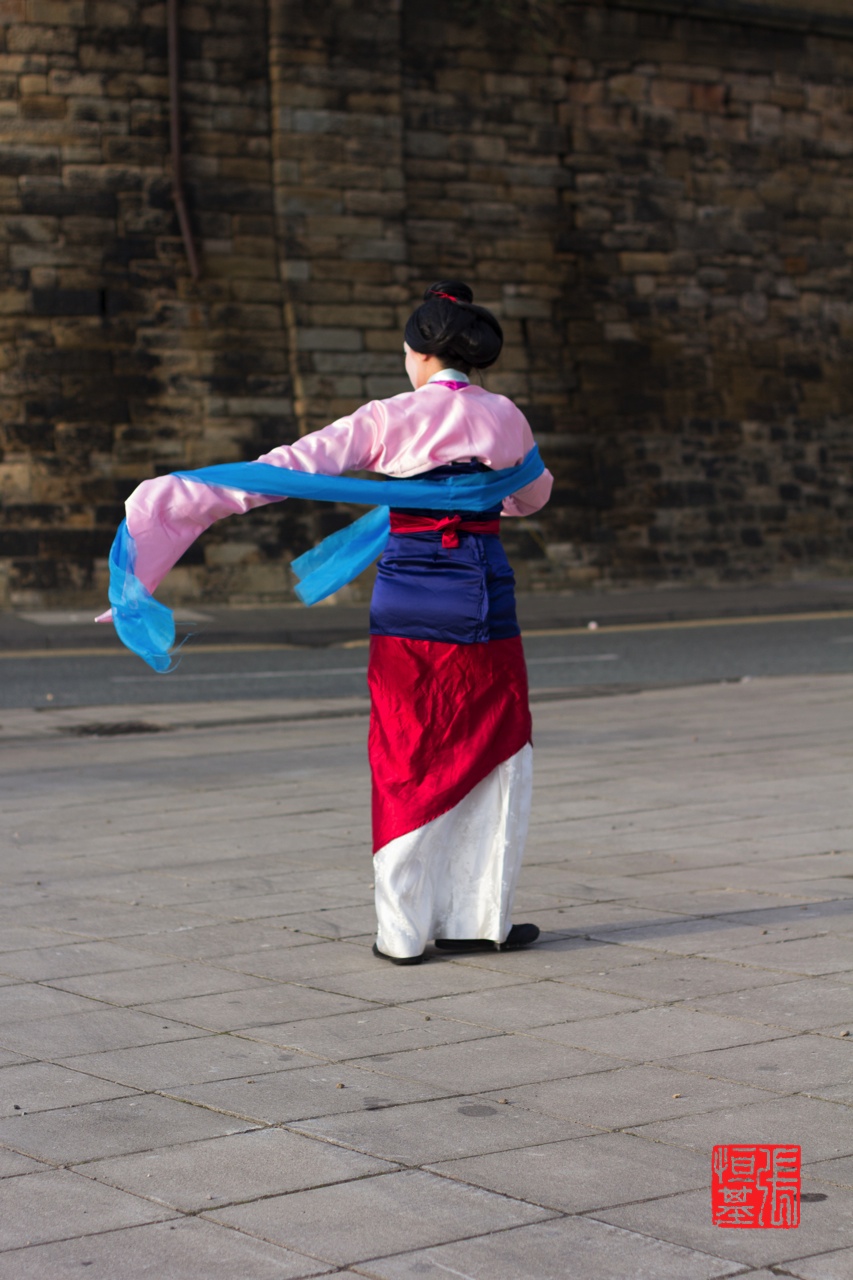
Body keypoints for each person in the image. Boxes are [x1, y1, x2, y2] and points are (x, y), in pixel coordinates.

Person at [102, 280, 553, 964]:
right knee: (496, 746)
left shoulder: (387, 418)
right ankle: (477, 920)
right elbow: (532, 496)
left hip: (409, 603)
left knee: (406, 750)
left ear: (417, 353)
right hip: (486, 599)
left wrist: (175, 495)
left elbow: (283, 470)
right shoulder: (507, 416)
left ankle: (402, 933)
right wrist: (477, 492)